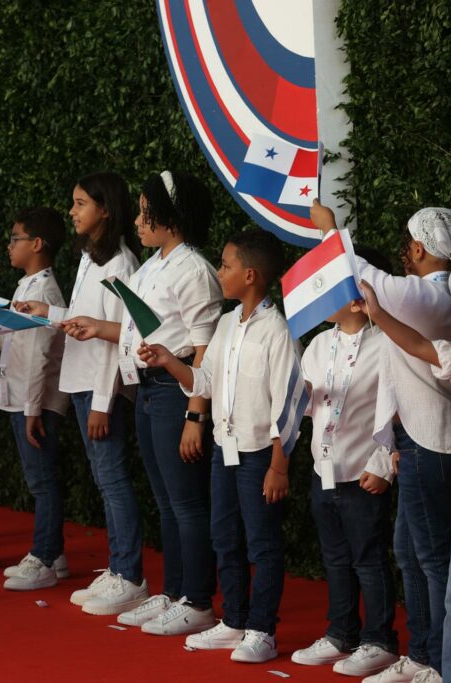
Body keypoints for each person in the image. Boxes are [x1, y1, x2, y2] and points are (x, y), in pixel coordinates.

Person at [62, 171, 221, 634]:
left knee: (188, 503)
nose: (137, 220)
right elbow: (141, 330)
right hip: (150, 389)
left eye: (145, 210)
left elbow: (203, 346)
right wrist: (103, 329)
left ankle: (197, 600)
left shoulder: (193, 268)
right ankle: (173, 593)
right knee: (167, 502)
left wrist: (196, 413)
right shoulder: (155, 263)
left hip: (177, 392)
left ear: (170, 215)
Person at [140, 228, 306, 663]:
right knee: (224, 537)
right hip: (224, 450)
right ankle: (234, 620)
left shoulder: (278, 330)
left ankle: (262, 630)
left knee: (263, 544)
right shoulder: (227, 323)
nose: (219, 272)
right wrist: (169, 360)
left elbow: (288, 404)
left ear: (250, 275)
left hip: (258, 456)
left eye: (226, 265)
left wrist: (278, 464)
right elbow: (206, 381)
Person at [312, 202, 451, 683]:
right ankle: (422, 654)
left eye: (406, 244)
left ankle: (439, 662)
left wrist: (331, 231)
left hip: (432, 444)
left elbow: (359, 271)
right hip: (415, 441)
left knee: (432, 560)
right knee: (411, 554)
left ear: (418, 248)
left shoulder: (430, 295)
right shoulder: (430, 295)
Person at [15, 172, 144, 616]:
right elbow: (87, 318)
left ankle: (128, 574)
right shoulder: (91, 257)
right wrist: (48, 311)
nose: (72, 211)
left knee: (112, 479)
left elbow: (124, 332)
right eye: (73, 203)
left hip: (100, 385)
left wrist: (105, 401)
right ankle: (118, 568)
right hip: (85, 380)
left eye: (81, 203)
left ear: (105, 209)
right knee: (104, 479)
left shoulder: (121, 263)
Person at [288, 249, 398, 677]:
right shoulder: (318, 343)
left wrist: (385, 463)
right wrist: (301, 396)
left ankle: (380, 640)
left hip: (363, 471)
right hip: (324, 469)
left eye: (329, 287)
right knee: (335, 558)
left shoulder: (386, 343)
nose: (319, 297)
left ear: (358, 297)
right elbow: (310, 406)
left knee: (369, 559)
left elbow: (394, 411)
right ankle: (341, 634)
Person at [0, 207, 70, 589]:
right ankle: (53, 552)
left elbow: (39, 355)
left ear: (36, 244)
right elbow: (14, 340)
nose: (8, 246)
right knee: (40, 479)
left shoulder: (45, 290)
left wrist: (33, 410)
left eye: (15, 238)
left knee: (43, 481)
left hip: (35, 401)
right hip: (22, 395)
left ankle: (46, 557)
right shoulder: (27, 284)